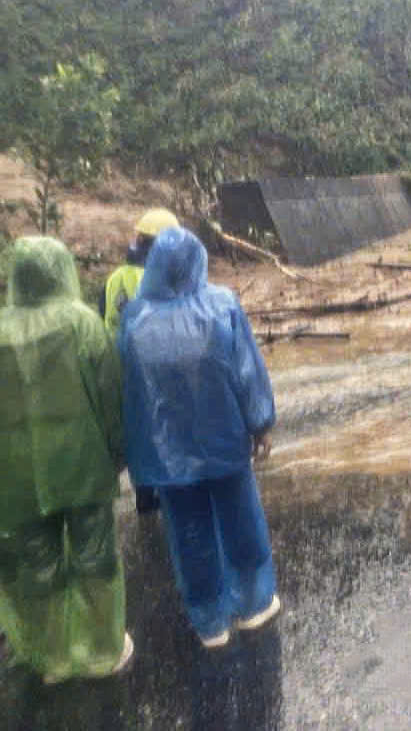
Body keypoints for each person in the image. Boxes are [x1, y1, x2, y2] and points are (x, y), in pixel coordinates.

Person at [119, 227, 280, 649]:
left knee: (190, 534)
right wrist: (261, 424)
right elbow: (246, 373)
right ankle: (254, 605)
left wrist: (134, 456)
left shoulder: (134, 320)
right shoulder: (222, 305)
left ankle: (210, 622)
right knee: (241, 522)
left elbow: (128, 393)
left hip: (168, 458)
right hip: (225, 441)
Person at [0, 237, 133, 683]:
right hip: (82, 464)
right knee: (94, 557)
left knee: (36, 567)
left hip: (14, 476)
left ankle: (51, 659)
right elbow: (110, 395)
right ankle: (101, 650)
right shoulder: (83, 323)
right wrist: (118, 454)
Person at [101, 207, 180, 515]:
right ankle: (171, 492)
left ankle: (144, 497)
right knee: (166, 429)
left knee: (139, 433)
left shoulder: (115, 278)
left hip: (123, 368)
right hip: (159, 367)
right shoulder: (163, 277)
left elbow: (104, 320)